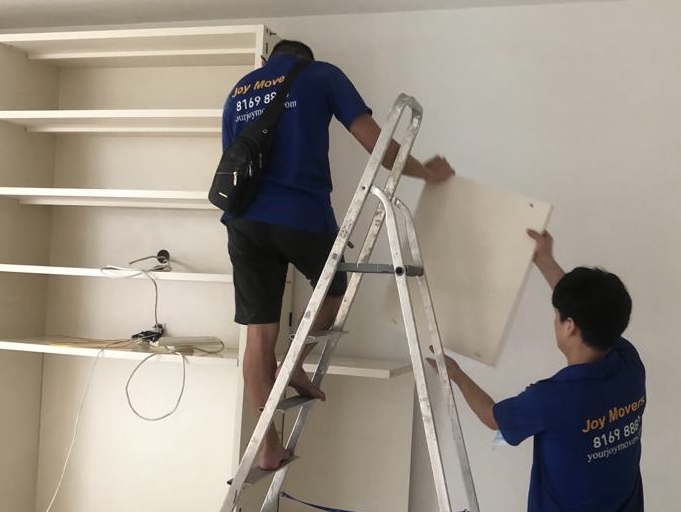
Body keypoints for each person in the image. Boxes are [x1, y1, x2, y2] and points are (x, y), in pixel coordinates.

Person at [222, 40, 455, 470]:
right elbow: (379, 145)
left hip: (244, 222)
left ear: (269, 60)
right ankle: (297, 361)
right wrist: (427, 172)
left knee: (258, 335)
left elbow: (233, 162)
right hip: (300, 214)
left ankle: (267, 447)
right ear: (303, 58)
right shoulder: (321, 74)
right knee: (335, 287)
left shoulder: (240, 90)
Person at [429, 230, 645, 511]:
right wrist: (544, 261)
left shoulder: (551, 399)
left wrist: (455, 373)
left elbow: (492, 418)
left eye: (557, 315)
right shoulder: (629, 364)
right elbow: (591, 312)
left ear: (569, 326)